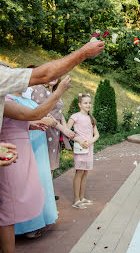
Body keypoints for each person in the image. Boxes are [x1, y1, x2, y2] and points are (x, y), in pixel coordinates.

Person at [0, 77, 71, 253]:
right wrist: (60, 91)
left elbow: (21, 120)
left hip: (22, 148)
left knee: (17, 201)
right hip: (11, 153)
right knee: (9, 208)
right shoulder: (6, 101)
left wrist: (30, 125)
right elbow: (31, 113)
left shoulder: (11, 99)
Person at [0, 41, 104, 134]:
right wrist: (84, 52)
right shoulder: (33, 92)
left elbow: (35, 114)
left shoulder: (8, 102)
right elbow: (45, 75)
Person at [9, 93, 58, 238]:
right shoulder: (10, 99)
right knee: (28, 184)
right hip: (26, 142)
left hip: (40, 142)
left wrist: (49, 119)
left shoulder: (28, 100)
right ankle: (27, 227)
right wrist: (44, 119)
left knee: (41, 181)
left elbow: (41, 115)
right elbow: (25, 117)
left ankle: (42, 219)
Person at [32, 79, 74, 176]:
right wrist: (63, 129)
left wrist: (66, 128)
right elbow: (42, 112)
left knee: (51, 167)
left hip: (55, 133)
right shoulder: (40, 89)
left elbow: (60, 113)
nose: (54, 77)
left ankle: (49, 190)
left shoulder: (54, 93)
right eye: (52, 74)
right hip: (44, 132)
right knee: (42, 168)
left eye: (57, 75)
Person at [66, 94, 100, 209]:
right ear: (79, 104)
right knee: (79, 172)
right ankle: (76, 200)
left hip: (89, 148)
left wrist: (90, 142)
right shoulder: (75, 117)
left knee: (85, 173)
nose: (88, 105)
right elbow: (67, 131)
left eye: (90, 103)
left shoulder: (91, 118)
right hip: (80, 148)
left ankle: (82, 197)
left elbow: (97, 134)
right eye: (85, 103)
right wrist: (78, 140)